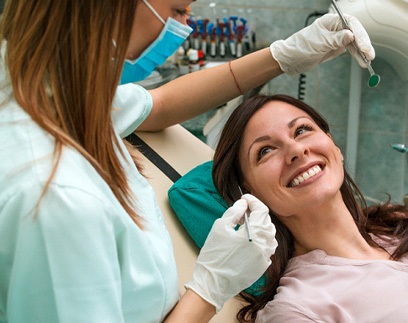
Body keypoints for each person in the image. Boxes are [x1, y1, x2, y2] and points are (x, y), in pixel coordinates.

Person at [0, 0, 375, 321]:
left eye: (303, 130)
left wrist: (282, 56)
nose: (186, 26)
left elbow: (159, 105)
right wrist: (210, 287)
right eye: (177, 10)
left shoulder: (62, 96)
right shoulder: (57, 197)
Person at [212, 94, 408, 322]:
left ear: (334, 146)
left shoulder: (397, 224)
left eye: (301, 130)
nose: (296, 150)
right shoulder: (297, 308)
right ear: (250, 192)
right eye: (265, 151)